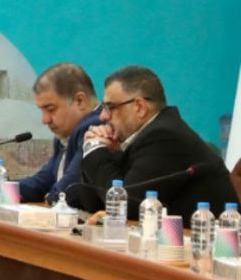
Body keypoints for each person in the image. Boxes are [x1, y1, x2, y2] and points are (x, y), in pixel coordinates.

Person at [72, 66, 235, 223]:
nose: (102, 116)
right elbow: (91, 202)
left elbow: (124, 205)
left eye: (110, 107)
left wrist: (94, 150)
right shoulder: (144, 137)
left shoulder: (165, 136)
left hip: (207, 238)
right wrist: (107, 153)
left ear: (140, 107)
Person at [18, 64, 102, 204]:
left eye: (51, 109)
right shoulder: (65, 134)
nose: (45, 120)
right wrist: (2, 185)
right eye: (42, 110)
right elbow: (42, 182)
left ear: (80, 101)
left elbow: (65, 193)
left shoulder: (95, 127)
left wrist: (51, 196)